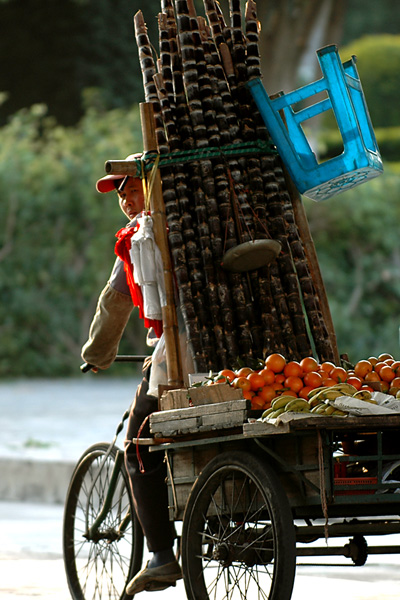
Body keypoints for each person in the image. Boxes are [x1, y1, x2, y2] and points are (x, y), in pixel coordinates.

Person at [81, 156, 189, 596]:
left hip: (178, 355)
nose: (125, 200)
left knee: (137, 444)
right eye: (119, 194)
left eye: (130, 188)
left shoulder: (140, 236)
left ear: (152, 184)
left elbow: (114, 303)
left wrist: (97, 355)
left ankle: (162, 555)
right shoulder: (188, 215)